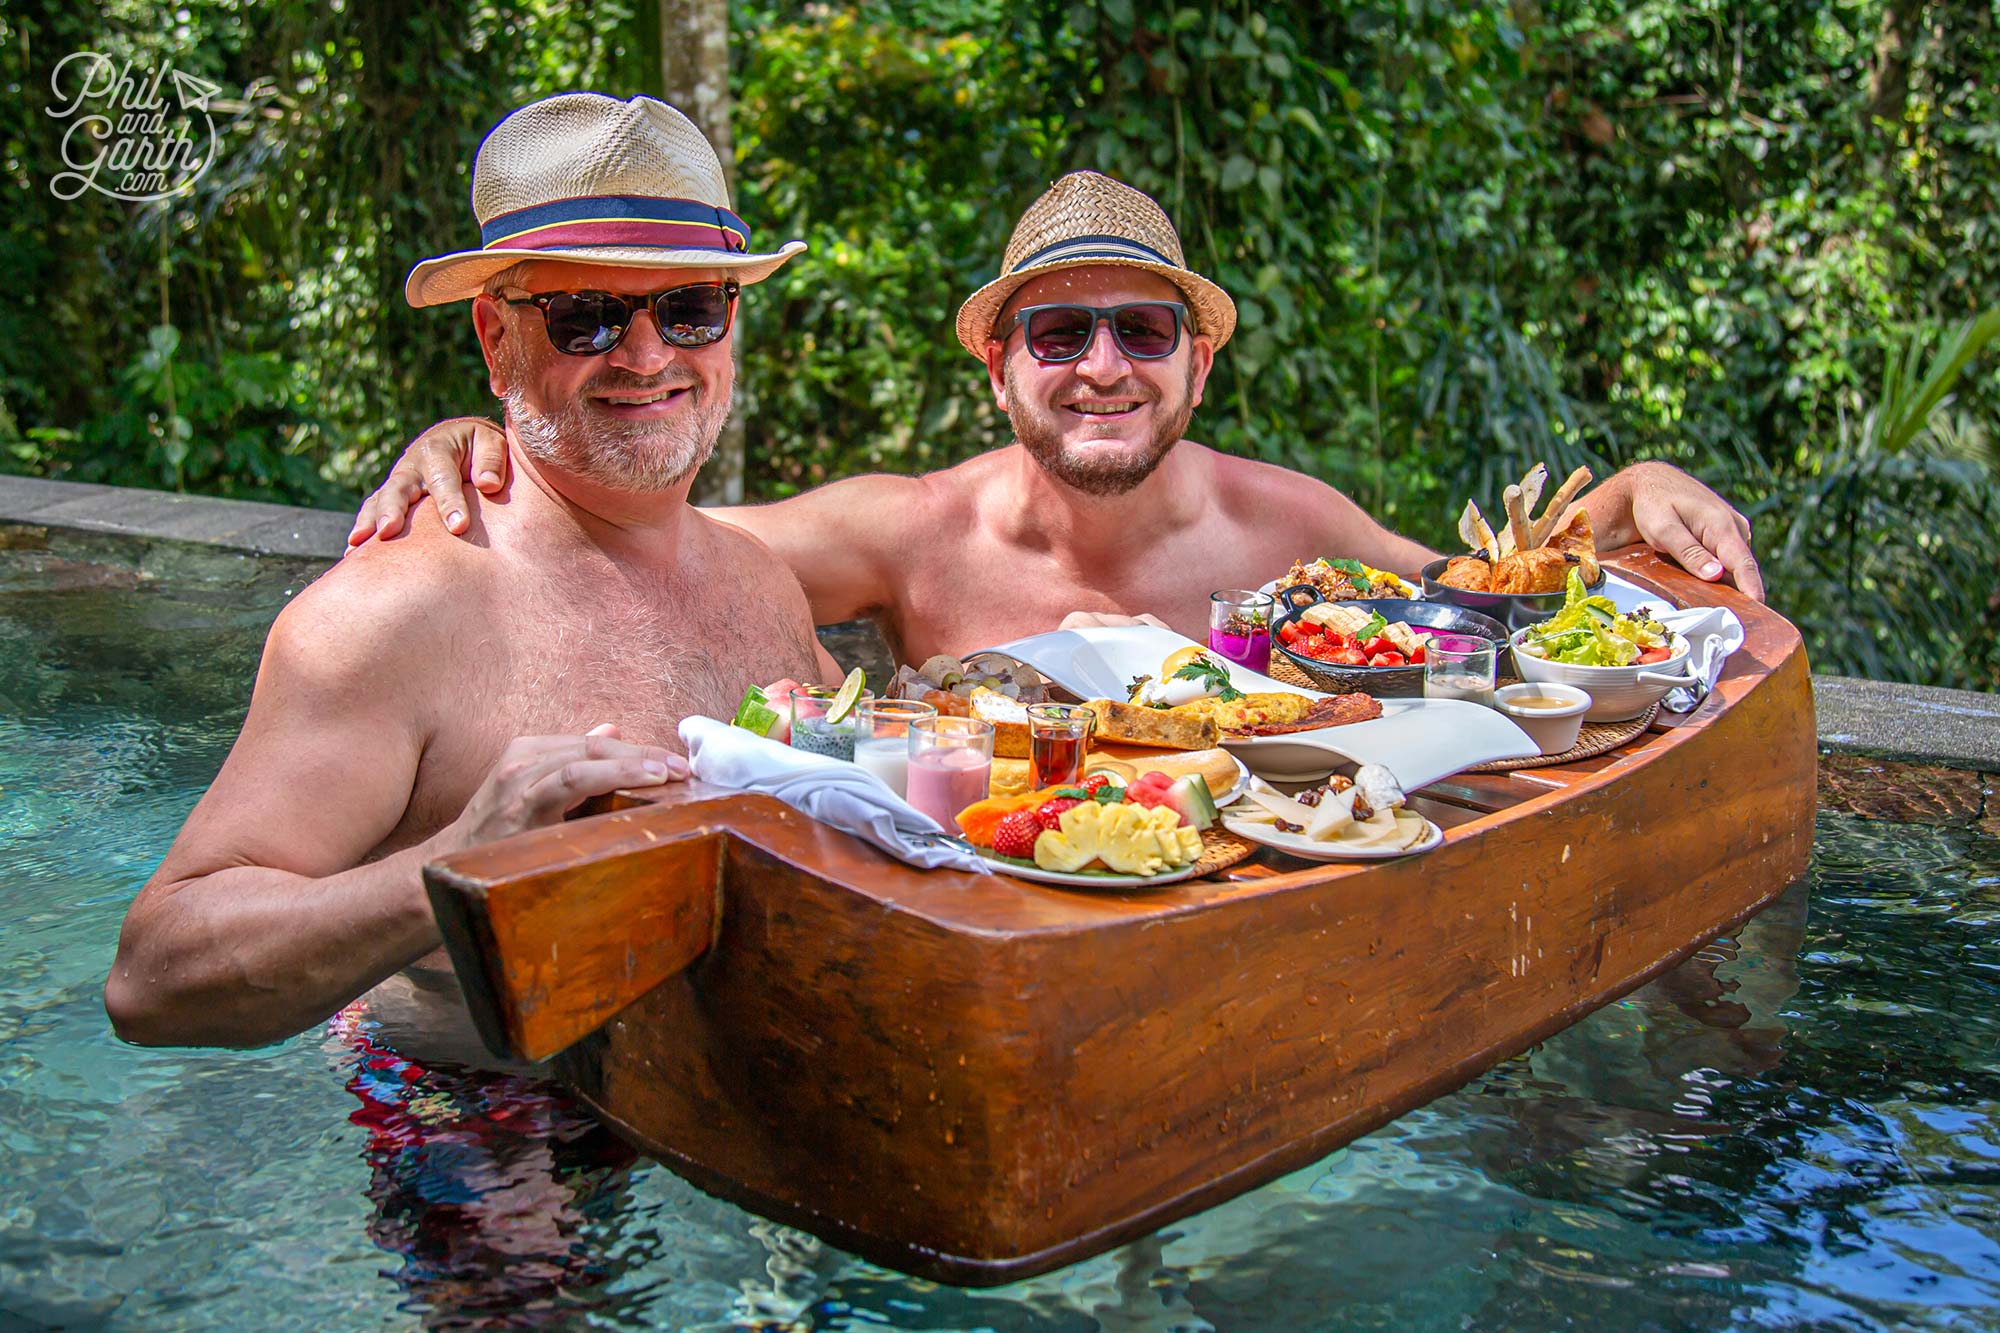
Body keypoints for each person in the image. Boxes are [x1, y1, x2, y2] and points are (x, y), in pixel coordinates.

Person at [106, 93, 835, 1056]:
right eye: (586, 319)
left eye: (691, 309)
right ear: (497, 340)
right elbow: (152, 978)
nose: (650, 355)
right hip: (488, 1131)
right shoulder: (394, 614)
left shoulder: (762, 580)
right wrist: (451, 866)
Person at [349, 171, 1763, 665]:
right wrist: (472, 446)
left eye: (1143, 331)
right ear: (1000, 370)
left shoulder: (1290, 527)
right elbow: (630, 532)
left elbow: (1495, 595)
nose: (1103, 365)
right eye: (1059, 331)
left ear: (1195, 369)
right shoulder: (901, 534)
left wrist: (1625, 487)